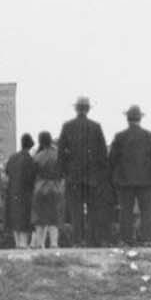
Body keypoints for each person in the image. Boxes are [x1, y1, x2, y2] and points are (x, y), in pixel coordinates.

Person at [58, 96, 109, 248]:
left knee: (76, 211)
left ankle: (77, 240)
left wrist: (64, 173)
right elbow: (103, 154)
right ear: (88, 109)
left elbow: (61, 153)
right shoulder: (96, 127)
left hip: (73, 177)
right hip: (92, 177)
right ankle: (93, 240)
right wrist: (101, 175)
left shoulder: (67, 127)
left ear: (76, 108)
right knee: (93, 210)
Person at [109, 106, 151, 247]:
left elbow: (112, 159)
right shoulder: (150, 136)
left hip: (124, 180)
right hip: (146, 180)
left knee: (125, 211)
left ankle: (126, 240)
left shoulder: (120, 137)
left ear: (127, 119)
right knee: (147, 211)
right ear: (140, 118)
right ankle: (146, 239)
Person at [30, 131, 64, 249]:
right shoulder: (58, 155)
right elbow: (62, 171)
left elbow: (33, 173)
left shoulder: (37, 156)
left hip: (40, 187)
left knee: (40, 217)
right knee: (55, 216)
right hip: (55, 186)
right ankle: (54, 243)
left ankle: (40, 243)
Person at [4, 135, 37, 250]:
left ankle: (17, 242)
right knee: (24, 218)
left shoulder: (13, 157)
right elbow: (32, 177)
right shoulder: (29, 159)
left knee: (14, 217)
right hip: (25, 192)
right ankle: (23, 243)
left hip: (12, 190)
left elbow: (7, 171)